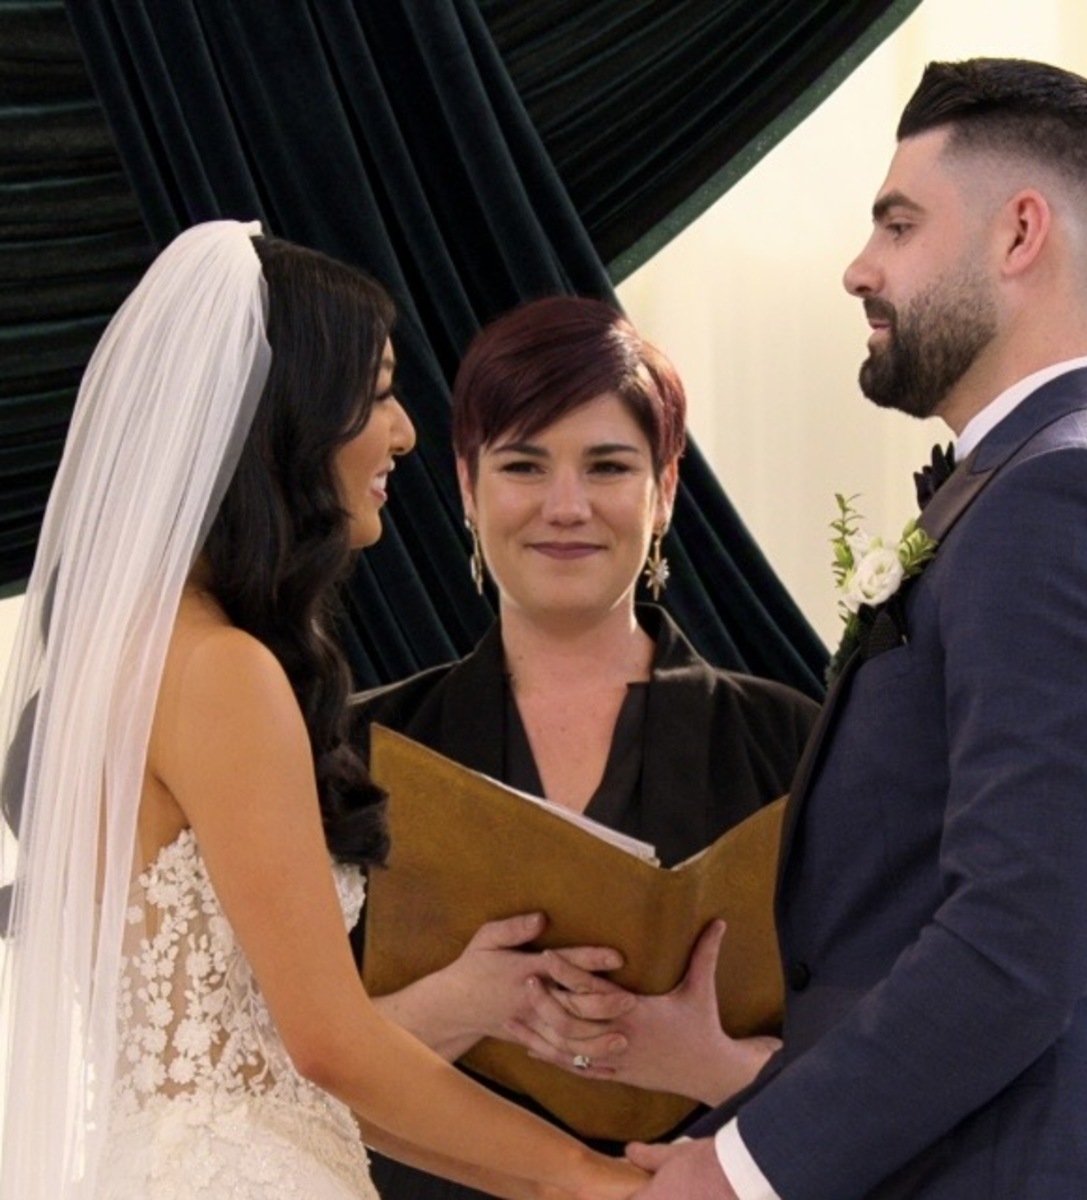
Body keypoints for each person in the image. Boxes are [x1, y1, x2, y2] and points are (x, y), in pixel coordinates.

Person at [625, 57, 1087, 1199]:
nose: (860, 268)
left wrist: (742, 1172)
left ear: (1020, 233)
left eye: (898, 224)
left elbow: (1017, 945)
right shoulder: (1035, 483)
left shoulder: (1067, 499)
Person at [0, 221, 650, 1198]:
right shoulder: (220, 670)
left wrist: (558, 1185)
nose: (406, 431)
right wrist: (588, 1174)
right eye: (379, 392)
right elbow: (332, 1045)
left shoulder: (129, 659)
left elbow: (295, 1076)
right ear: (291, 417)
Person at [356, 295, 819, 1200]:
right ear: (467, 487)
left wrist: (709, 1063)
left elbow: (886, 1058)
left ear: (666, 488)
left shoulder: (792, 741)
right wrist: (461, 1004)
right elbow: (271, 1065)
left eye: (608, 466)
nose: (565, 507)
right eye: (523, 466)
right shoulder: (353, 745)